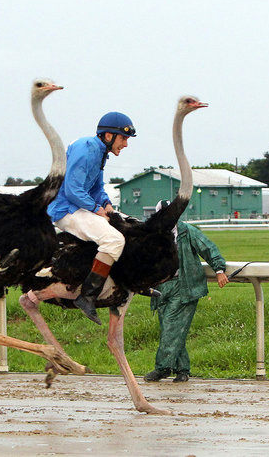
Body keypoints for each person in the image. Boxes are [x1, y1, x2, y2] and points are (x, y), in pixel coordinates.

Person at [47, 111, 136, 325]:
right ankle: (87, 295)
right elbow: (72, 190)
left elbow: (97, 187)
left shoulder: (99, 152)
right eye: (123, 138)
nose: (125, 144)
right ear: (108, 136)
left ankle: (134, 279)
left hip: (78, 206)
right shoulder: (86, 149)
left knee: (129, 227)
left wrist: (106, 204)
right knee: (114, 240)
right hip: (65, 209)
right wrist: (96, 208)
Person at [144, 200, 229, 383]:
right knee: (173, 329)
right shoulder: (153, 234)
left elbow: (208, 247)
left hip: (183, 287)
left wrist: (219, 270)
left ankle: (162, 368)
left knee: (171, 328)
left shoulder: (186, 231)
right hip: (160, 288)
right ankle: (182, 370)